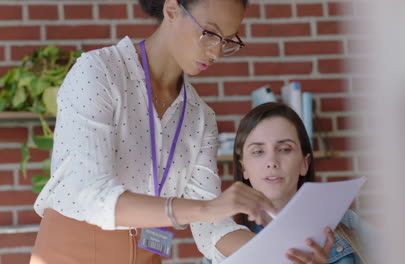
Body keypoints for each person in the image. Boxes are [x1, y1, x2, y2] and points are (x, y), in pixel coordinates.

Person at [29, 0, 334, 264]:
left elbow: (212, 227)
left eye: (227, 40)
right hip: (72, 254)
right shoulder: (98, 72)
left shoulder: (200, 117)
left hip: (149, 255)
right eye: (209, 33)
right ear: (172, 8)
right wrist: (207, 208)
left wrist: (283, 255)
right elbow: (92, 196)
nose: (215, 52)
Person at [228, 102, 372, 264]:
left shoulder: (348, 224)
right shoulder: (223, 239)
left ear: (305, 163)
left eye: (284, 149)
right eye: (258, 151)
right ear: (243, 169)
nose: (272, 162)